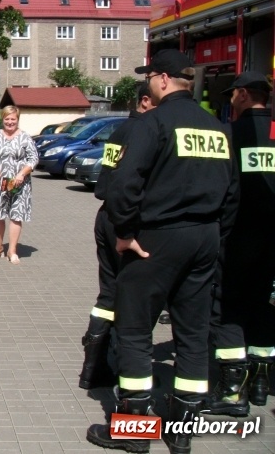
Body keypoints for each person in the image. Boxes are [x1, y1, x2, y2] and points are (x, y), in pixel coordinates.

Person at [86, 50, 238, 454]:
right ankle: (181, 430)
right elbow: (232, 192)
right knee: (192, 334)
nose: (149, 83)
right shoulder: (218, 128)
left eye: (150, 77)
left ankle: (134, 430)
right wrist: (213, 237)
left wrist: (125, 232)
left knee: (135, 330)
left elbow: (124, 183)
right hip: (204, 238)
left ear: (164, 79)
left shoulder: (152, 123)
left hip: (155, 240)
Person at [205, 71, 275, 415]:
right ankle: (262, 382)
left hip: (237, 236)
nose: (231, 101)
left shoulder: (229, 135)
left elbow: (217, 188)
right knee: (263, 304)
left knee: (228, 306)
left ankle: (233, 391)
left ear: (244, 94)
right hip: (272, 238)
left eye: (233, 95)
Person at [79, 84, 156, 390]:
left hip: (106, 215)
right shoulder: (145, 132)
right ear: (145, 101)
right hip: (127, 222)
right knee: (131, 297)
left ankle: (92, 368)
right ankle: (123, 368)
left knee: (108, 294)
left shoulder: (120, 131)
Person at [0, 106, 38, 264]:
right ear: (3, 119)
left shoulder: (25, 137)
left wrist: (22, 173)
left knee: (16, 216)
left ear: (17, 120)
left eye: (13, 119)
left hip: (19, 183)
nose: (10, 122)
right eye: (7, 119)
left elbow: (33, 158)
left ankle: (12, 251)